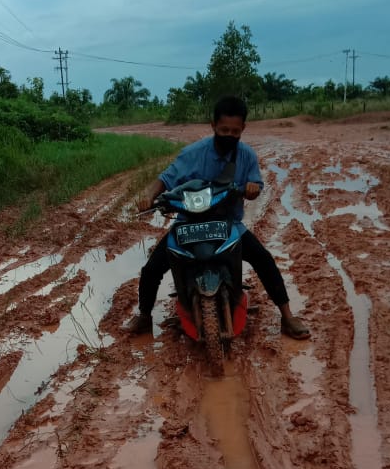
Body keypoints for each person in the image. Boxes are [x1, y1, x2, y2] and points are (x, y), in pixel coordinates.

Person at [125, 95, 310, 339]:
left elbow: (255, 184)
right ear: (213, 126)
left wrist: (253, 188)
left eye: (235, 131)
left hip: (229, 223)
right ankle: (144, 316)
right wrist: (148, 196)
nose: (229, 135)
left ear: (243, 129)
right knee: (152, 269)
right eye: (224, 130)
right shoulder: (193, 153)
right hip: (187, 223)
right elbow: (165, 178)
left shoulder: (246, 156)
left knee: (264, 260)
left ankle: (287, 316)